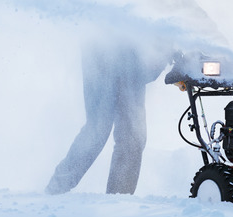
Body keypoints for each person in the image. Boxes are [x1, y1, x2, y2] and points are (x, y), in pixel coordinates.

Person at [45, 31, 172, 195]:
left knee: (133, 137)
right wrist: (164, 53)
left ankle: (118, 199)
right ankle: (55, 190)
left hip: (133, 55)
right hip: (102, 49)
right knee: (98, 128)